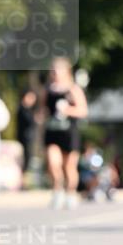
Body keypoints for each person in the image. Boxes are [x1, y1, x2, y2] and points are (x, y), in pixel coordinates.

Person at [41, 57, 88, 208]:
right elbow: (43, 110)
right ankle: (57, 190)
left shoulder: (73, 89)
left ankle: (70, 193)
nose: (55, 73)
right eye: (53, 70)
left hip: (69, 132)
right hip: (52, 131)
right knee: (53, 163)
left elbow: (83, 111)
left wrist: (67, 110)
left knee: (69, 166)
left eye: (58, 70)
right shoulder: (47, 90)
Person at [16, 89, 38, 183]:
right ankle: (22, 181)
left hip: (28, 138)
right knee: (24, 159)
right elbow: (29, 121)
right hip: (24, 138)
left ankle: (24, 180)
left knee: (28, 159)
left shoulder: (29, 110)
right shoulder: (22, 109)